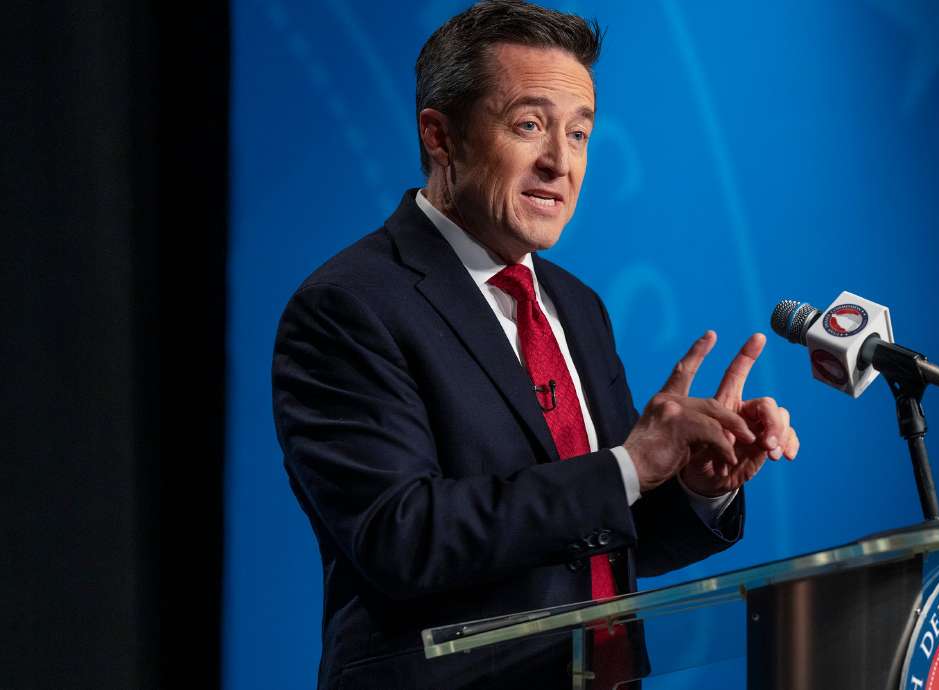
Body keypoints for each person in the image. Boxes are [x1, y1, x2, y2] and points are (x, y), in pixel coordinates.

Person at [271, 2, 799, 687]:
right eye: (529, 126)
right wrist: (630, 467)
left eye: (579, 134)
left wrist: (695, 486)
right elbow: (401, 537)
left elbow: (596, 541)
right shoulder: (350, 306)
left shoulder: (576, 306)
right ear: (441, 136)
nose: (560, 163)